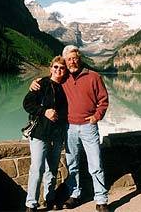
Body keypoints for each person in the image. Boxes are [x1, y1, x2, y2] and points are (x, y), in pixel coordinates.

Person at [30, 45, 109, 212]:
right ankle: (75, 194)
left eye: (75, 58)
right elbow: (51, 80)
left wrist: (97, 116)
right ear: (65, 61)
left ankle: (101, 200)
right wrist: (34, 83)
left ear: (79, 58)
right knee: (72, 164)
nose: (73, 61)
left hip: (89, 127)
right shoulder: (63, 78)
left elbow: (103, 100)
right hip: (69, 128)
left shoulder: (93, 76)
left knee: (96, 163)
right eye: (69, 59)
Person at [23, 56, 68, 212]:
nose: (58, 70)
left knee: (52, 169)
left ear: (65, 71)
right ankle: (31, 204)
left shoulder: (66, 86)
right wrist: (44, 111)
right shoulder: (41, 84)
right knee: (37, 169)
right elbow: (27, 104)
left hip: (57, 135)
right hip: (40, 134)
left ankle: (50, 199)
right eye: (55, 67)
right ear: (51, 68)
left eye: (62, 68)